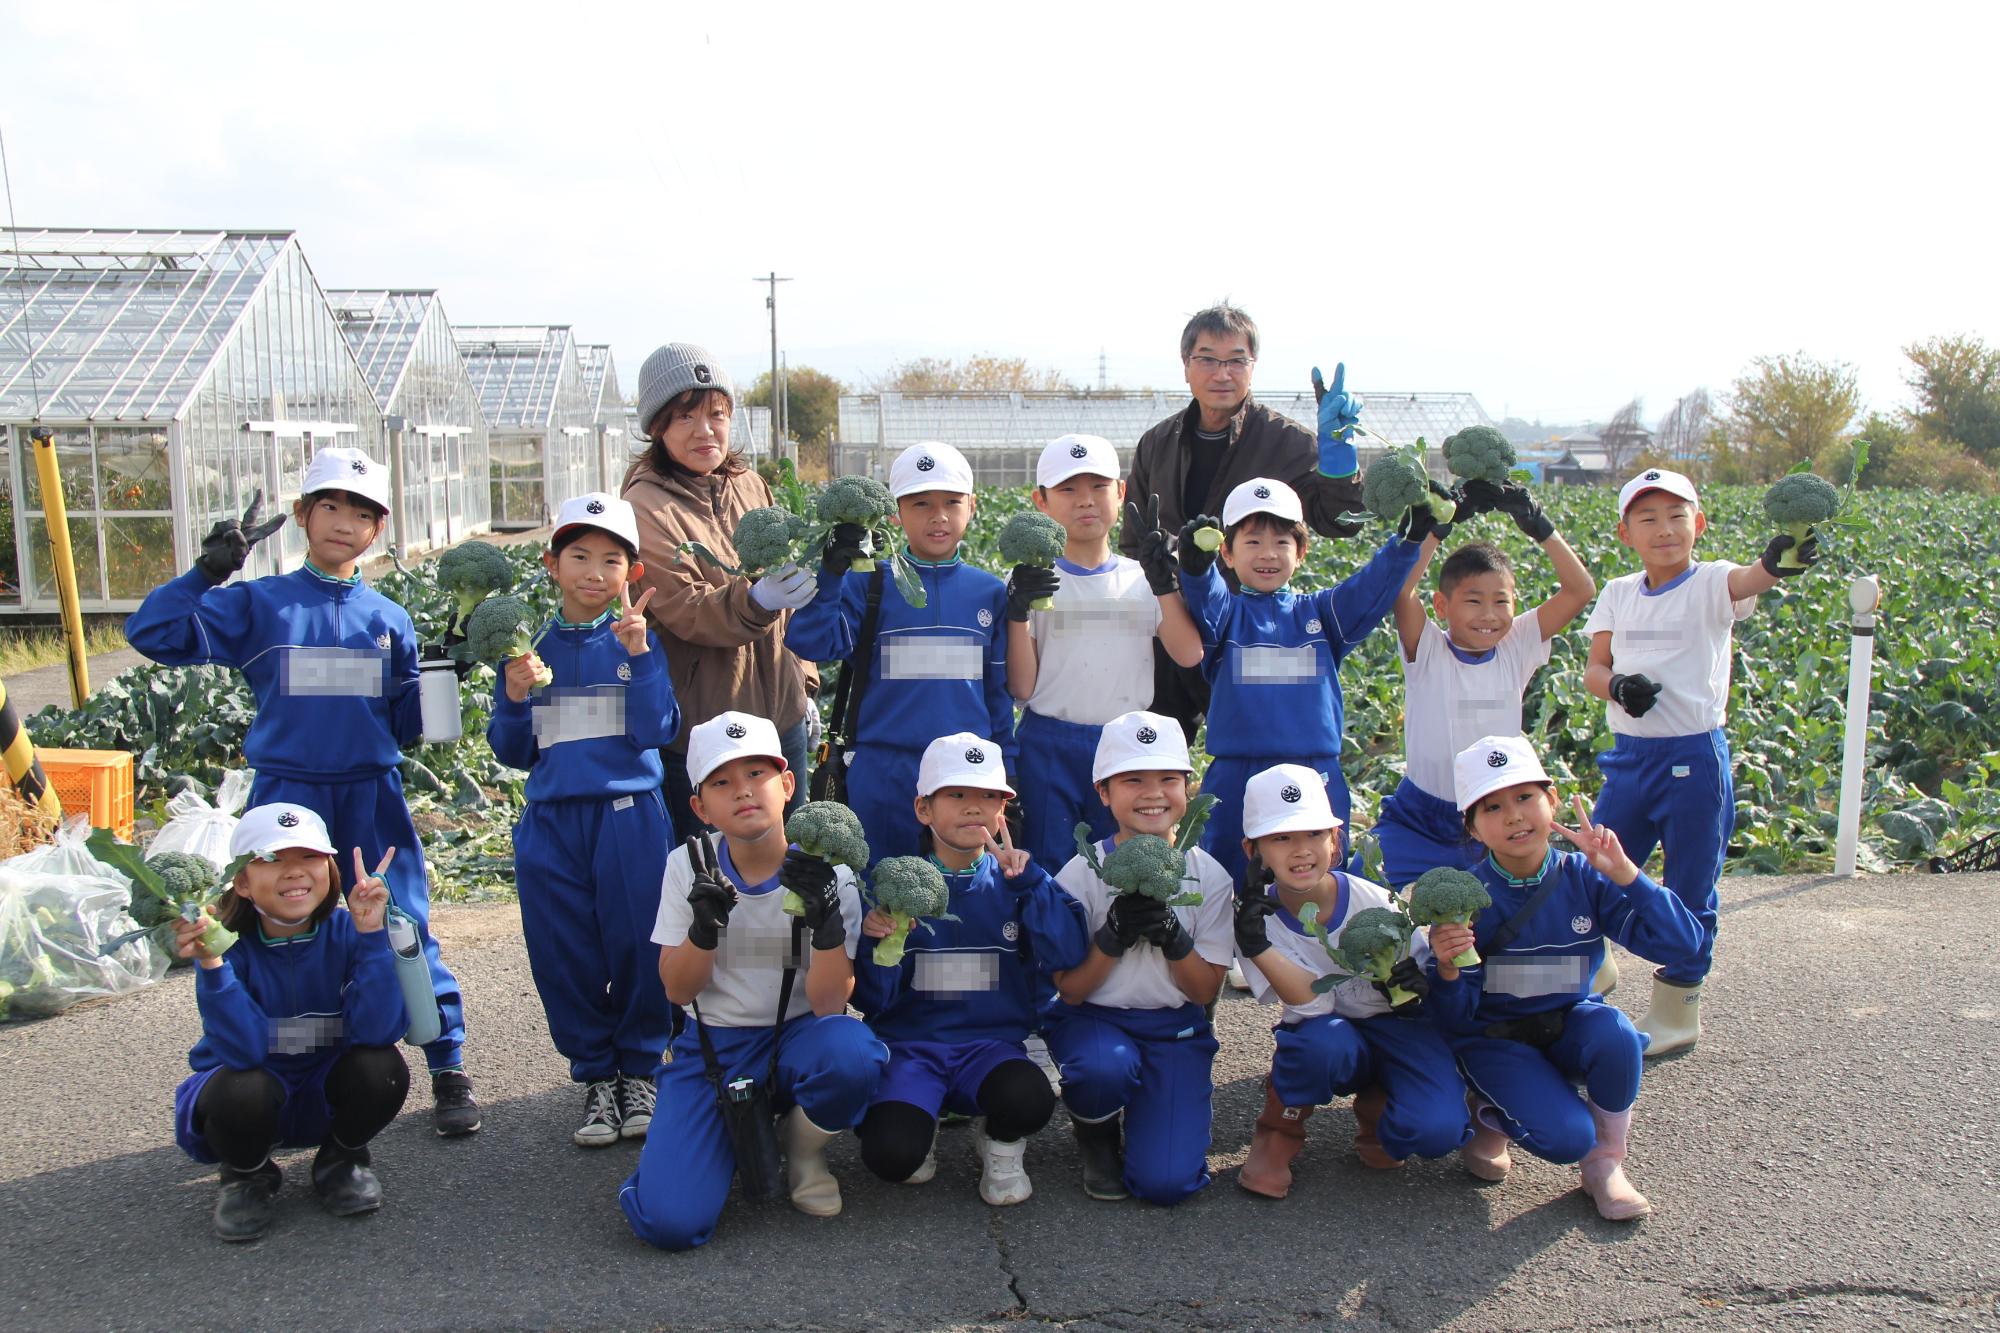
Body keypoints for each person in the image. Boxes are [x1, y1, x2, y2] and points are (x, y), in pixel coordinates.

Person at [127, 447, 479, 1135]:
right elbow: (153, 632)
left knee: (402, 921)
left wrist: (447, 674)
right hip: (288, 795)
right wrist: (208, 572)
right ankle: (260, 1071)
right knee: (275, 928)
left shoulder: (389, 619)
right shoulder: (261, 604)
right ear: (301, 515)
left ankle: (446, 1061)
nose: (345, 522)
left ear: (378, 528)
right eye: (331, 505)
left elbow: (408, 723)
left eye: (362, 512)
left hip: (370, 795)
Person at [621, 712, 887, 1251]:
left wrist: (828, 926)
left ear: (787, 785)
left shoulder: (829, 872)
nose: (742, 792)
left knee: (853, 1054)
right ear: (700, 806)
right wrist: (702, 930)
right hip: (715, 1048)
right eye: (722, 782)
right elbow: (677, 991)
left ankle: (802, 1151)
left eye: (757, 774)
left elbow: (832, 1004)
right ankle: (696, 1152)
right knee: (671, 1223)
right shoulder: (687, 866)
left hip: (799, 1037)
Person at [1582, 467, 1818, 1054]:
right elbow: (1594, 670)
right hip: (1629, 760)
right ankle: (1592, 963)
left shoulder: (1712, 583)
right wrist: (1618, 688)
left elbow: (1754, 578)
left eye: (1677, 516)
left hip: (1693, 760)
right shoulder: (1617, 592)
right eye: (1648, 518)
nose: (1664, 529)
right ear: (1624, 533)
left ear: (1699, 524)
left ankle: (1678, 1010)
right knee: (1597, 872)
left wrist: (1781, 559)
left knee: (1691, 888)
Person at [1424, 735, 1702, 1221]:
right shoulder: (1464, 897)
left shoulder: (1586, 876)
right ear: (1472, 827)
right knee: (1566, 1136)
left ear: (1552, 801)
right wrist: (1448, 968)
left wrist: (1629, 876)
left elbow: (1682, 946)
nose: (1514, 816)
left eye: (1525, 797)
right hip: (1496, 1040)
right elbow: (1454, 1018)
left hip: (1568, 1024)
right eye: (1492, 807)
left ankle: (1605, 1166)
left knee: (1617, 1036)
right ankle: (1488, 1109)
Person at [487, 493, 682, 1148]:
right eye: (578, 556)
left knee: (638, 944)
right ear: (551, 562)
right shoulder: (526, 649)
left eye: (610, 559)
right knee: (561, 952)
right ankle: (596, 1076)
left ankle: (641, 1068)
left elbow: (659, 729)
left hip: (628, 815)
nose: (594, 572)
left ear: (631, 570)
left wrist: (644, 656)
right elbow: (514, 751)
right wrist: (514, 696)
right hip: (550, 821)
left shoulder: (635, 640)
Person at [850, 733, 1089, 1206]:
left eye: (988, 797)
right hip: (912, 1052)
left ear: (1004, 810)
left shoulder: (1019, 882)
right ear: (924, 809)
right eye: (956, 795)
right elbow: (872, 1000)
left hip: (990, 1050)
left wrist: (1032, 885)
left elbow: (1067, 953)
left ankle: (999, 1142)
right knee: (891, 1157)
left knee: (1030, 1100)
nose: (973, 808)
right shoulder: (892, 889)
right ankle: (924, 1117)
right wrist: (881, 944)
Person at [1168, 476, 1444, 883]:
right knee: (1227, 881)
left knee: (1321, 882)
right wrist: (1194, 568)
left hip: (1317, 773)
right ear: (1226, 552)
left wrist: (1408, 539)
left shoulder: (1324, 613)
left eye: (1281, 542)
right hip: (1237, 775)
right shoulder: (1228, 617)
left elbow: (1371, 587)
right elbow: (1207, 598)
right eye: (1253, 542)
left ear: (1301, 553)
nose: (1268, 554)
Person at [1120, 304, 1368, 741]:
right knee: (1154, 754)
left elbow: (1339, 520)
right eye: (1208, 359)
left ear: (1252, 368)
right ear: (1186, 366)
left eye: (1236, 360)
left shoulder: (1287, 442)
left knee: (1255, 748)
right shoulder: (1157, 443)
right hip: (1168, 628)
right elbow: (1132, 542)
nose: (1222, 373)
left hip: (1243, 629)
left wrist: (1339, 459)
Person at [170, 803, 410, 1241]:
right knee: (242, 1087)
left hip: (323, 1091)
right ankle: (247, 1174)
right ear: (242, 882)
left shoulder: (348, 930)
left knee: (383, 1069)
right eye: (272, 859)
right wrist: (213, 965)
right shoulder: (230, 947)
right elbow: (244, 1053)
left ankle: (342, 1160)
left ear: (330, 868)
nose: (294, 871)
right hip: (254, 1097)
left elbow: (378, 1031)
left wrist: (373, 938)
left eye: (309, 857)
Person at [1231, 765, 1469, 1199]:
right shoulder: (1256, 920)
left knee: (1437, 1132)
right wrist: (1256, 945)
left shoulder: (1374, 901)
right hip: (1327, 1033)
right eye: (1281, 838)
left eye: (1314, 834)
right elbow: (1311, 1006)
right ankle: (1278, 1131)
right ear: (1254, 850)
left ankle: (1381, 1109)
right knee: (1321, 1043)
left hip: (1399, 1027)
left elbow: (1430, 984)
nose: (1300, 851)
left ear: (1335, 840)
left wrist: (1416, 985)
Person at [622, 343, 817, 843]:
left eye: (717, 414)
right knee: (713, 873)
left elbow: (790, 594)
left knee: (792, 863)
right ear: (657, 427)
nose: (705, 430)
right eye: (685, 417)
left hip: (781, 716)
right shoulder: (645, 505)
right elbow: (685, 609)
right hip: (705, 727)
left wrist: (806, 680)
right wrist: (754, 602)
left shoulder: (751, 484)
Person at [786, 442, 1014, 863]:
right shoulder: (869, 583)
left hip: (966, 774)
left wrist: (1007, 763)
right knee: (883, 894)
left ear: (973, 506)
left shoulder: (990, 592)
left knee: (960, 894)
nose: (938, 515)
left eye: (951, 502)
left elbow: (997, 691)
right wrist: (832, 574)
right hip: (884, 771)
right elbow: (811, 642)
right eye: (920, 503)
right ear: (894, 513)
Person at [1044, 711, 1233, 1205]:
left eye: (1168, 779)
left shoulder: (1210, 877)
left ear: (1188, 790)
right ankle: (1096, 1131)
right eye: (1133, 780)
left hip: (1174, 1029)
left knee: (1166, 1185)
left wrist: (1173, 936)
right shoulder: (1079, 875)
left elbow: (1204, 991)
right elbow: (1071, 989)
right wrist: (1113, 936)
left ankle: (1153, 1118)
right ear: (1103, 792)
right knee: (1103, 1069)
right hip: (1094, 1021)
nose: (1153, 793)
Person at [1375, 481, 1596, 890]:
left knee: (1496, 927)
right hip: (1419, 820)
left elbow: (1580, 590)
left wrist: (1539, 526)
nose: (1489, 615)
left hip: (1496, 815)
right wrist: (1439, 526)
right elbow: (1400, 590)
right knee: (1372, 900)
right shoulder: (1428, 649)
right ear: (1442, 606)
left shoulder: (1516, 646)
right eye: (1474, 601)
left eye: (1501, 601)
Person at [1006, 433, 1205, 871]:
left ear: (1121, 492)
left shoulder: (1142, 578)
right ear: (1041, 501)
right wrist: (1017, 613)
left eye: (1098, 486)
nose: (1085, 501)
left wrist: (1166, 583)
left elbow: (1189, 653)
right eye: (1068, 489)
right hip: (1048, 743)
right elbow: (1021, 687)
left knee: (1126, 868)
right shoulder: (1032, 582)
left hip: (1129, 749)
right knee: (1051, 869)